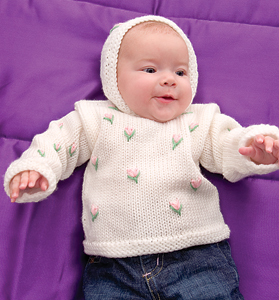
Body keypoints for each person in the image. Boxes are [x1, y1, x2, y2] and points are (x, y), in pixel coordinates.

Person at [4, 15, 279, 299]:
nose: (169, 80)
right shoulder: (94, 119)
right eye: (150, 69)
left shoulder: (197, 120)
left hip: (196, 257)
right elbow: (58, 142)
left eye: (181, 72)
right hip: (113, 267)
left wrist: (254, 149)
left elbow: (225, 144)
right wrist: (37, 167)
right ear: (114, 77)